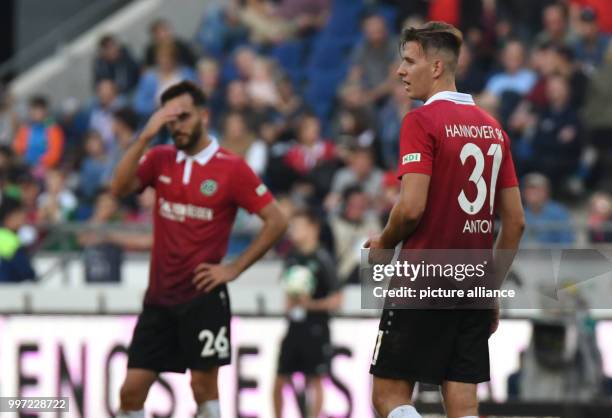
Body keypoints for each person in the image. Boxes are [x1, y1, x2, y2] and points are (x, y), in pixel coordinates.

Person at [364, 22, 525, 418]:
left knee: (388, 396)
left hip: (422, 279)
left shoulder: (421, 121)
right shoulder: (493, 129)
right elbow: (516, 222)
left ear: (436, 67)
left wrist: (384, 243)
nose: (400, 71)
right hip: (472, 282)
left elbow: (411, 207)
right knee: (463, 403)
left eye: (408, 61)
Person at [110, 81, 287, 418]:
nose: (177, 126)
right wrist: (146, 136)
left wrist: (233, 269)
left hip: (203, 298)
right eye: (170, 120)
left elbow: (277, 221)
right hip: (159, 299)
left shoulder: (231, 168)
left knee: (203, 389)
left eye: (184, 117)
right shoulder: (160, 159)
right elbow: (119, 187)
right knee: (131, 390)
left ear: (204, 116)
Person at [273, 208, 342, 418]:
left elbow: (337, 299)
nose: (293, 231)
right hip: (294, 327)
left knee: (315, 379)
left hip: (316, 327)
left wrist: (309, 305)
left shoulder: (323, 258)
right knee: (279, 379)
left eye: (298, 227)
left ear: (313, 229)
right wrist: (289, 307)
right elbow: (287, 289)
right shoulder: (291, 256)